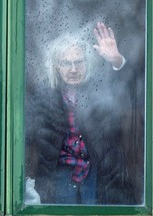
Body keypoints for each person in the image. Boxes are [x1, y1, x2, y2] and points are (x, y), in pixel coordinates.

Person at [25, 22, 135, 205]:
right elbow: (23, 134)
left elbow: (133, 96)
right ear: (56, 67)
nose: (73, 69)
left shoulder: (101, 87)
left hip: (98, 173)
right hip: (58, 174)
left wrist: (117, 61)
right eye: (66, 63)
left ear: (88, 63)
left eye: (79, 62)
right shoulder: (44, 95)